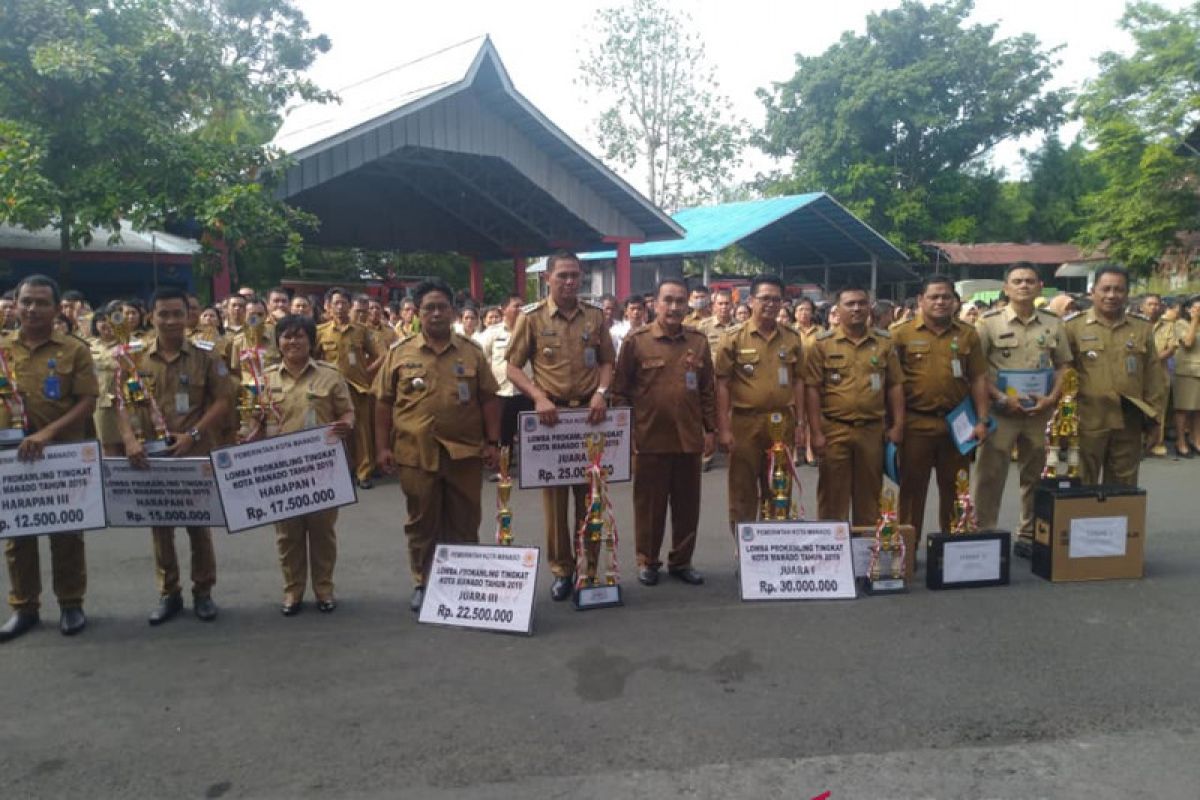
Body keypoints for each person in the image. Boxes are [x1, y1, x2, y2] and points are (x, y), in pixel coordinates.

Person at [374, 278, 500, 612]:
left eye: (442, 307)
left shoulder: (471, 352)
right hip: (416, 452)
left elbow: (489, 398)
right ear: (416, 313)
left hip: (464, 451)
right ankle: (424, 581)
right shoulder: (400, 354)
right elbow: (383, 403)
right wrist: (381, 448)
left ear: (454, 312)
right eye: (428, 307)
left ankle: (464, 581)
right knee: (422, 521)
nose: (436, 313)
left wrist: (493, 442)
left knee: (465, 520)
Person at [120, 288, 233, 625]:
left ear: (189, 316)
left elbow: (223, 400)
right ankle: (169, 593)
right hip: (150, 457)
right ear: (150, 317)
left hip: (193, 453)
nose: (170, 320)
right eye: (163, 314)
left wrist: (194, 434)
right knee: (160, 527)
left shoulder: (208, 355)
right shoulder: (132, 357)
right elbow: (120, 401)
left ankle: (203, 592)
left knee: (199, 527)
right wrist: (128, 441)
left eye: (177, 313)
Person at [506, 250, 614, 601]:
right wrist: (537, 396)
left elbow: (607, 362)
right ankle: (562, 570)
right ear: (547, 278)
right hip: (552, 421)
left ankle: (591, 568)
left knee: (592, 499)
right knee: (555, 505)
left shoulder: (595, 318)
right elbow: (513, 367)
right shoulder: (532, 318)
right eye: (563, 275)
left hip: (589, 417)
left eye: (575, 275)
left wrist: (601, 392)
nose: (570, 282)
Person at [0, 275, 99, 642]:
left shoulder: (75, 349)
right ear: (15, 304)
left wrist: (47, 433)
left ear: (57, 309)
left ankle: (71, 603)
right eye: (26, 301)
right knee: (17, 534)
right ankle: (24, 606)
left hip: (61, 453)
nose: (32, 309)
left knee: (67, 532)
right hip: (11, 457)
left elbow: (87, 400)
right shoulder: (3, 347)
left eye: (41, 302)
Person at [612, 279, 716, 586]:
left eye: (680, 301)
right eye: (667, 300)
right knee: (649, 507)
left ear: (688, 305)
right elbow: (620, 392)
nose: (673, 307)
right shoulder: (637, 341)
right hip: (649, 437)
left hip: (688, 437)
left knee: (687, 506)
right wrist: (626, 433)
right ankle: (648, 560)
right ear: (654, 304)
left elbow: (707, 389)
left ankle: (682, 560)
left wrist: (710, 428)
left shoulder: (698, 341)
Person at [972, 264, 1074, 552]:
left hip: (1040, 413)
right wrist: (1002, 399)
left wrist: (1052, 398)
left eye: (1030, 281)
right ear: (1006, 288)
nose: (1024, 286)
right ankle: (985, 531)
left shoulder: (1053, 323)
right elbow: (976, 371)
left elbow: (1064, 365)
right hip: (1001, 412)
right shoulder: (988, 323)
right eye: (1017, 281)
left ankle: (1029, 533)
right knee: (991, 475)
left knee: (1037, 475)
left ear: (1040, 286)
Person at [263, 315, 355, 615]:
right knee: (287, 535)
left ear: (311, 340)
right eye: (287, 336)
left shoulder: (330, 375)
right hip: (281, 470)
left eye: (300, 336)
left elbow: (348, 413)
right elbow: (251, 422)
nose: (293, 341)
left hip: (322, 468)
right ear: (278, 341)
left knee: (322, 533)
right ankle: (293, 591)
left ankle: (324, 590)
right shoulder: (265, 379)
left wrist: (344, 425)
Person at [891, 276, 990, 539]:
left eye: (946, 297)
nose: (940, 302)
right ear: (921, 300)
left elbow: (979, 377)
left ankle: (954, 547)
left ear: (955, 302)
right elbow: (892, 384)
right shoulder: (900, 334)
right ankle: (907, 550)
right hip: (916, 423)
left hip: (958, 423)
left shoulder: (968, 334)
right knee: (912, 491)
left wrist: (982, 419)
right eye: (933, 297)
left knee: (956, 490)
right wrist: (895, 424)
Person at [804, 287, 905, 525]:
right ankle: (832, 556)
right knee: (832, 497)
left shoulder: (883, 342)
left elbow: (895, 386)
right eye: (849, 304)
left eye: (861, 303)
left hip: (872, 430)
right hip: (834, 429)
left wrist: (898, 424)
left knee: (869, 496)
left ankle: (864, 553)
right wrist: (815, 432)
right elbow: (812, 390)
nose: (856, 308)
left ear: (870, 306)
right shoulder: (821, 344)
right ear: (837, 310)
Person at [714, 275, 806, 528]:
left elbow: (799, 382)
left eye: (776, 299)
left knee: (779, 487)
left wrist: (801, 424)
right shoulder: (733, 337)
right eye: (765, 298)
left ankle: (775, 546)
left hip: (782, 422)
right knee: (742, 489)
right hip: (745, 423)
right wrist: (723, 428)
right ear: (751, 300)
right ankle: (745, 551)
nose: (771, 304)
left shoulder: (792, 338)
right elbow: (721, 384)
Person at [1064, 266, 1166, 486]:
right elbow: (1063, 377)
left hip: (1129, 420)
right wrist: (1064, 419)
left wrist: (1156, 419)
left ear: (1127, 294)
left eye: (1118, 290)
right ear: (1093, 292)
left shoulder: (1142, 328)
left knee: (1123, 487)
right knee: (1082, 484)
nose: (1111, 295)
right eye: (1106, 289)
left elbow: (1154, 377)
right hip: (1087, 420)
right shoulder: (1073, 327)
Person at [315, 287, 381, 490]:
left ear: (350, 306)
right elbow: (314, 358)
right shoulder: (320, 332)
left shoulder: (361, 331)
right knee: (336, 430)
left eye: (344, 302)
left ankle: (364, 472)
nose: (340, 307)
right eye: (336, 303)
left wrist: (367, 371)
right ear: (328, 306)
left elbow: (381, 354)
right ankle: (342, 471)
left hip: (357, 387)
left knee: (361, 431)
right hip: (331, 389)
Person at [476, 295, 530, 468]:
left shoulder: (530, 329)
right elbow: (482, 360)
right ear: (504, 309)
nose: (520, 309)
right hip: (501, 391)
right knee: (504, 434)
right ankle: (504, 469)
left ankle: (531, 468)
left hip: (526, 390)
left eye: (523, 306)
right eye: (516, 306)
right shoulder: (492, 333)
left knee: (530, 432)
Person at [1142, 294, 1175, 457]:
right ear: (1142, 307)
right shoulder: (1135, 324)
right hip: (1138, 374)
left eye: (1156, 304)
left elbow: (1171, 348)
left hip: (1160, 374)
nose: (1153, 307)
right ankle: (1139, 442)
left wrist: (1152, 360)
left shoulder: (1169, 326)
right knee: (1139, 408)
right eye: (1150, 304)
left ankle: (1157, 443)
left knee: (1158, 409)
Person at [1171, 296, 1200, 457]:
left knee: (1199, 410)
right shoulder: (1180, 324)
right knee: (1183, 409)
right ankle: (1180, 441)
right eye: (1196, 308)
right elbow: (1188, 343)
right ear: (1188, 310)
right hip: (1187, 372)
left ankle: (1196, 440)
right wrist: (1195, 320)